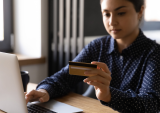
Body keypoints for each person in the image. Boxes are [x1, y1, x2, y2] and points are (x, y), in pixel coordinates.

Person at [25, 0, 160, 112]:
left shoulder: (154, 53)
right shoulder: (98, 47)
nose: (112, 22)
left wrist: (108, 94)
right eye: (106, 14)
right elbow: (65, 77)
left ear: (140, 11)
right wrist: (44, 91)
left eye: (121, 13)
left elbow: (151, 104)